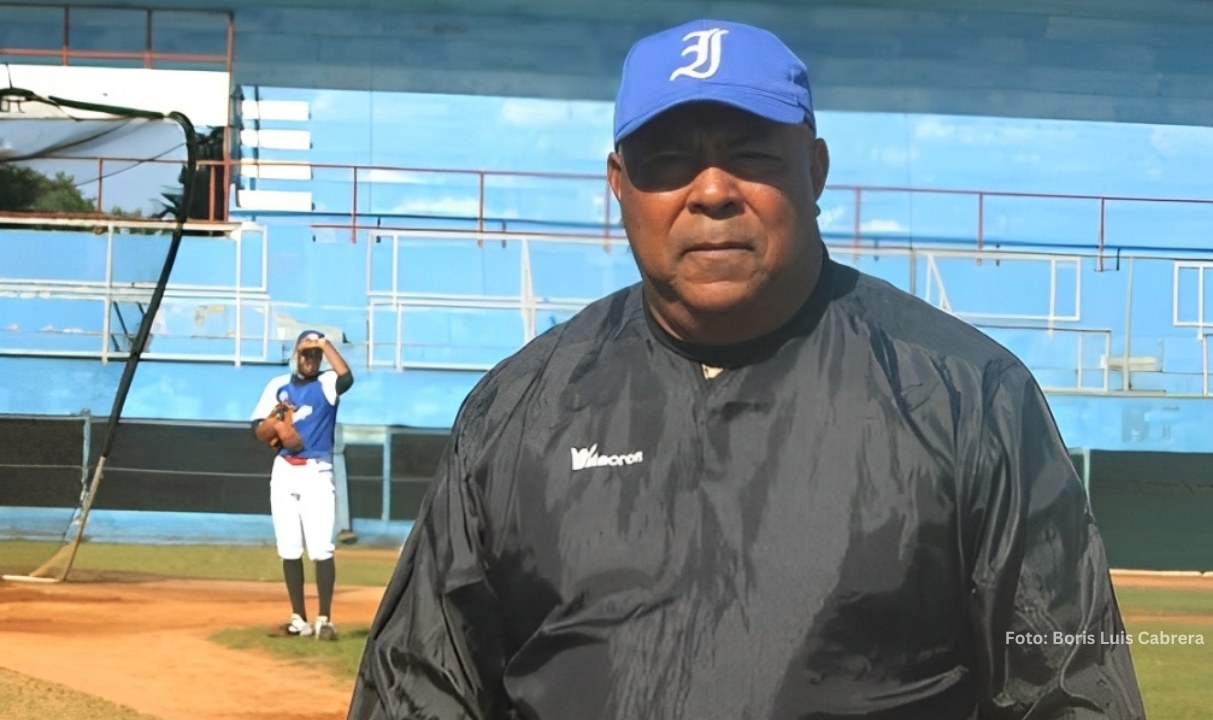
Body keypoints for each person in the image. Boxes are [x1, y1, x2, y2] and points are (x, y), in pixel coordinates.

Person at [349, 18, 1145, 719]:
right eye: (668, 161)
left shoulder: (968, 398)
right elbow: (421, 691)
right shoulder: (517, 411)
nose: (713, 192)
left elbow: (1070, 693)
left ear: (816, 170)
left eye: (752, 153)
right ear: (619, 187)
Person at [252, 329, 353, 641]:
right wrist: (278, 426)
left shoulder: (326, 383)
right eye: (306, 353)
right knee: (289, 547)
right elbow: (257, 428)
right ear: (295, 355)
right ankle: (299, 619)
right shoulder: (278, 386)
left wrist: (325, 344)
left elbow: (346, 378)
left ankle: (324, 619)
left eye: (315, 354)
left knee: (322, 547)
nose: (311, 359)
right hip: (285, 470)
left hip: (317, 469)